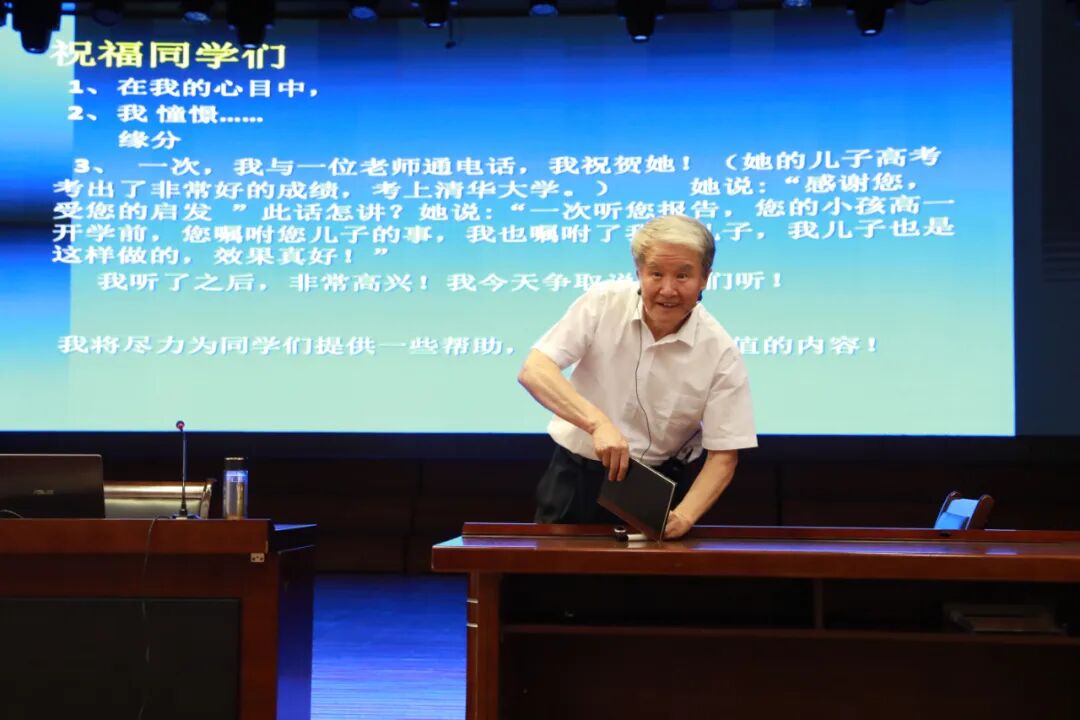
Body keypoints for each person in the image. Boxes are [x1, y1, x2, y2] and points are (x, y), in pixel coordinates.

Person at [517, 214, 756, 540]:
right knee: (551, 570)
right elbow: (535, 369)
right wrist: (597, 424)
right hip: (575, 476)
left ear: (705, 278)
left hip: (652, 488)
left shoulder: (720, 351)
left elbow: (724, 455)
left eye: (683, 275)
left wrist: (685, 516)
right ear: (639, 272)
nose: (668, 289)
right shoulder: (603, 302)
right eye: (656, 274)